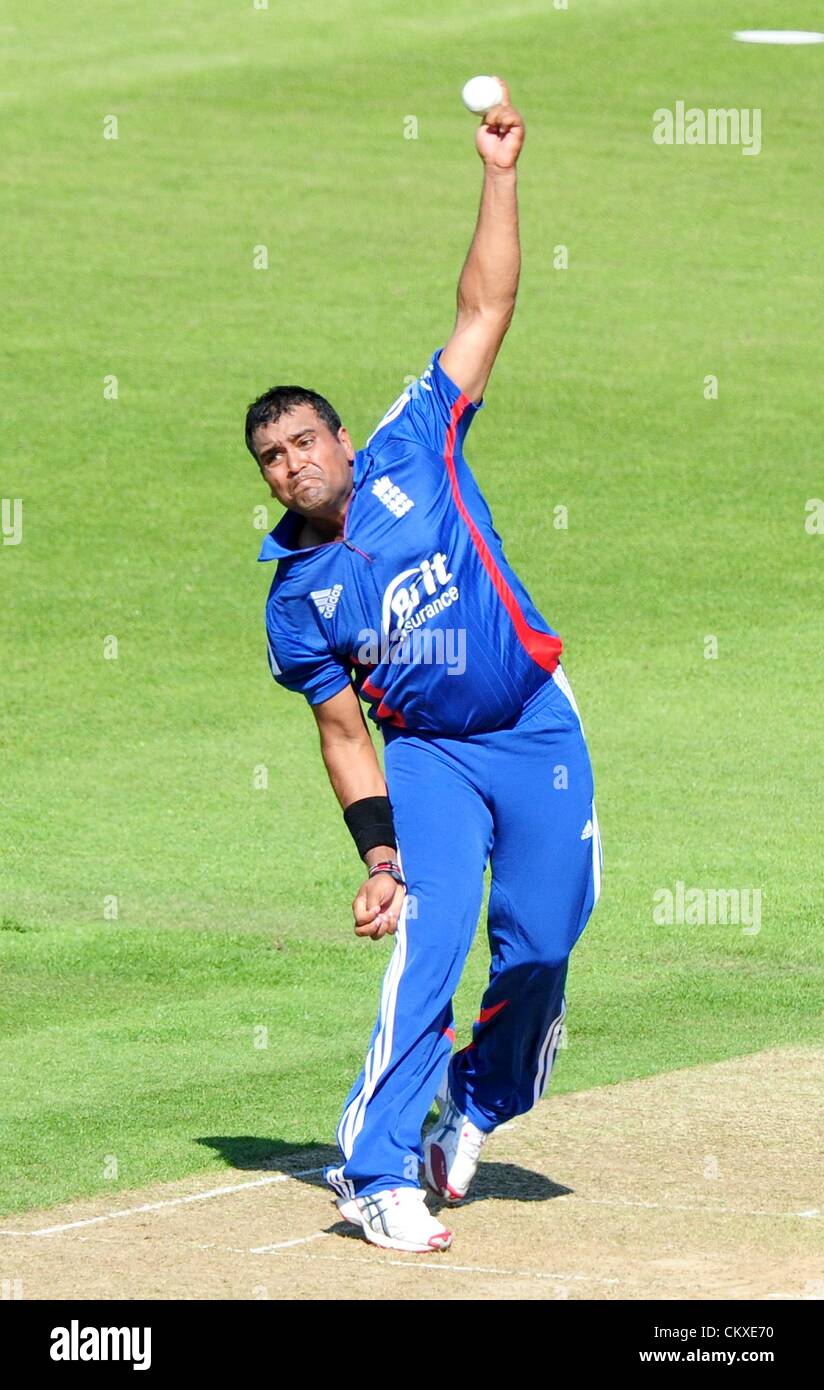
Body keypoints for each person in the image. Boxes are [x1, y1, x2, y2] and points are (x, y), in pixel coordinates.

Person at [246, 79, 603, 1254]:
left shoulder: (416, 435)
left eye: (303, 439)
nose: (292, 463)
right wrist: (380, 851)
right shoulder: (296, 600)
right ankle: (373, 1165)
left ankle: (478, 1105)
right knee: (433, 939)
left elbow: (485, 302)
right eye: (272, 458)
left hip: (534, 721)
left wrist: (498, 171)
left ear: (343, 436)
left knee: (546, 938)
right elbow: (342, 731)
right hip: (435, 758)